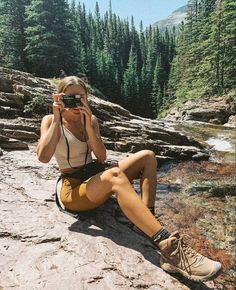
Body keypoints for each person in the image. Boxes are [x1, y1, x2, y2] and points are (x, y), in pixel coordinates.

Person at [36, 76, 222, 282]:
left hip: (95, 176)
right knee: (114, 175)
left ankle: (145, 220)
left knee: (147, 156)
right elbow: (43, 157)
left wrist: (88, 123)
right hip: (73, 190)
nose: (75, 101)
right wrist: (56, 115)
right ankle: (170, 249)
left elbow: (102, 157)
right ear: (60, 97)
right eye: (69, 97)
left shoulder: (91, 119)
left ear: (87, 98)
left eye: (79, 97)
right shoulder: (50, 121)